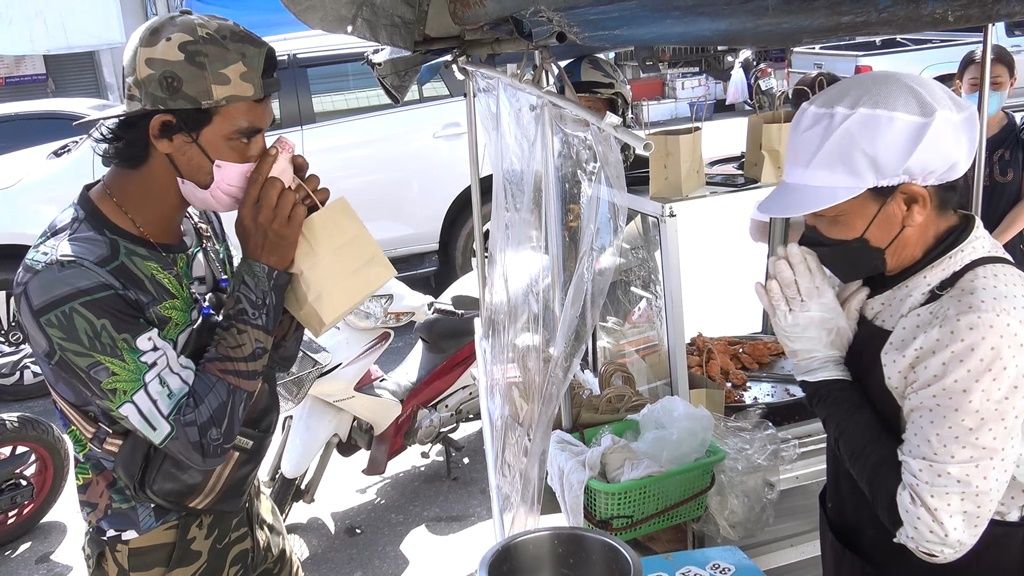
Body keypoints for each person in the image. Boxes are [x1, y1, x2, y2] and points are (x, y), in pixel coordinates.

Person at [14, 11, 328, 576]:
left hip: (242, 507)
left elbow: (268, 361)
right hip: (154, 546)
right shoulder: (65, 280)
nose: (266, 154)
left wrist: (293, 250)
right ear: (165, 133)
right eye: (245, 136)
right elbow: (201, 438)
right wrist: (262, 266)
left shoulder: (197, 220)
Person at [755, 71, 1024, 574]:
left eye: (827, 217)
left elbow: (934, 533)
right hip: (859, 539)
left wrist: (823, 372)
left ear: (910, 203)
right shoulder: (889, 258)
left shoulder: (979, 322)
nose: (812, 232)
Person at [955, 44, 1024, 265]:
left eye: (995, 84)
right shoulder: (945, 134)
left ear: (1012, 83)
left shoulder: (1019, 134)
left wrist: (989, 247)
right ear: (960, 85)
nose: (985, 92)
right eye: (975, 85)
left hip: (1006, 256)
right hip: (951, 254)